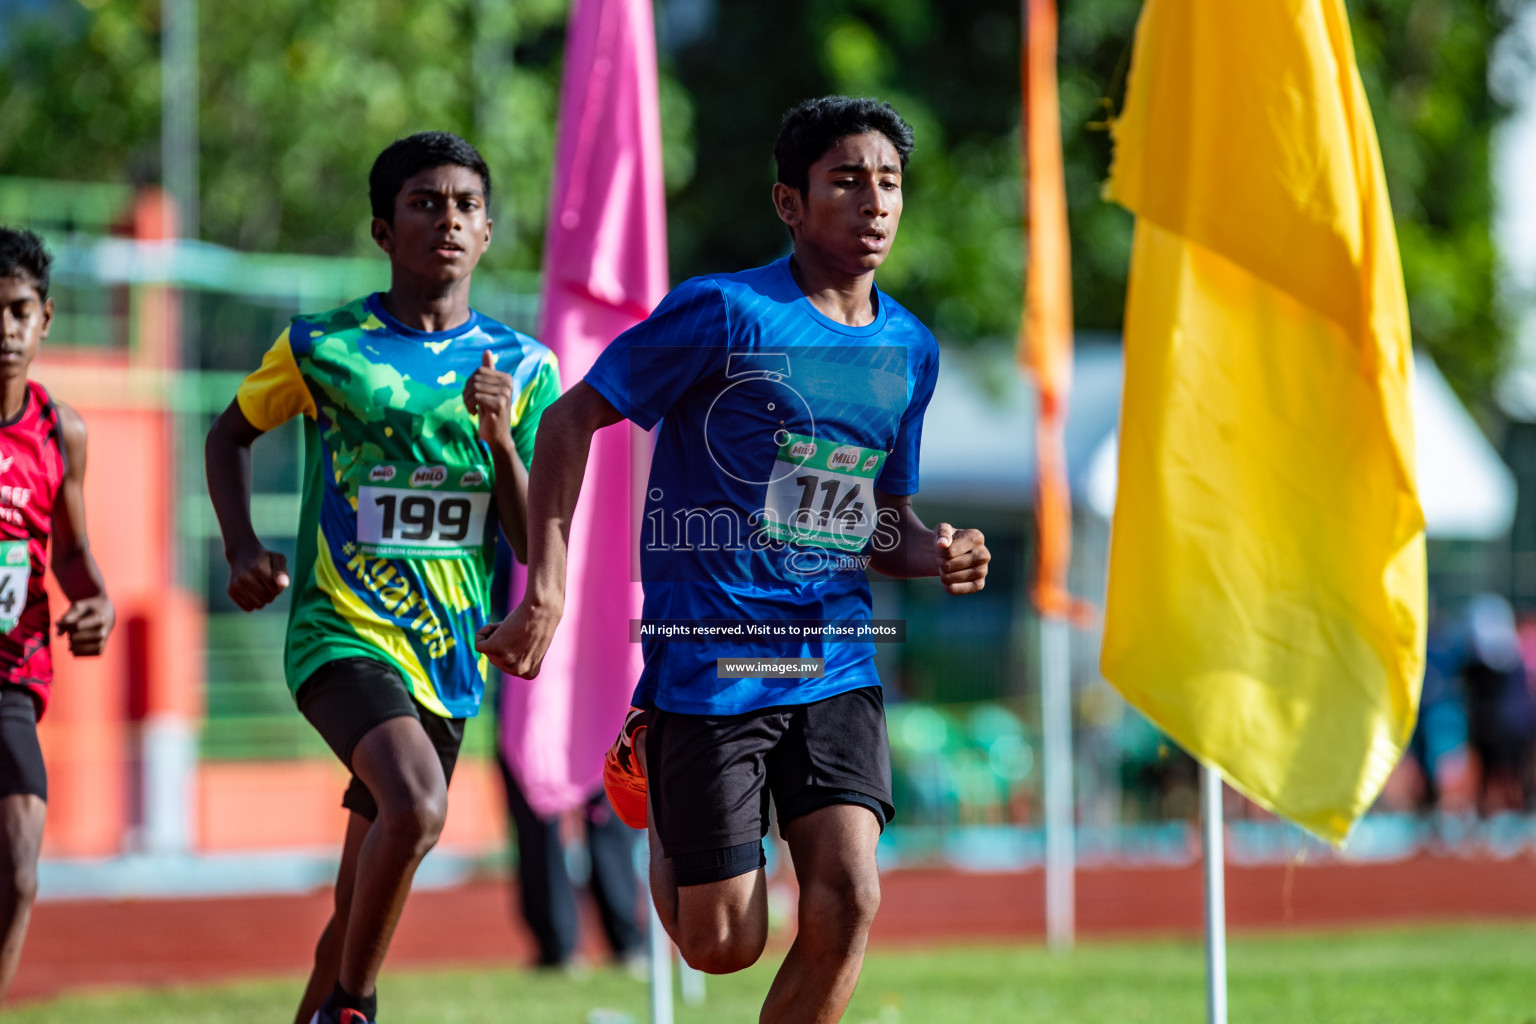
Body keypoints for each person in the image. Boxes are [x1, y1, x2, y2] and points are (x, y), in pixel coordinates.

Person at [477, 96, 990, 1023]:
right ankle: (657, 744)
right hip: (711, 664)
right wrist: (546, 588)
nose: (874, 202)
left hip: (834, 656)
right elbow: (567, 418)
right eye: (846, 181)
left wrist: (941, 552)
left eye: (889, 184)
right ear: (790, 204)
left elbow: (878, 525)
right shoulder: (725, 312)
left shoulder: (909, 349)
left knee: (850, 900)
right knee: (723, 945)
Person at [205, 132, 559, 1024]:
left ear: (488, 233)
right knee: (417, 802)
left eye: (466, 206)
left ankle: (328, 1000)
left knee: (357, 896)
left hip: (448, 651)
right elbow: (229, 434)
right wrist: (242, 546)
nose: (447, 219)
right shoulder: (325, 346)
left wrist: (502, 437)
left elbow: (526, 536)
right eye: (424, 202)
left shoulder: (525, 369)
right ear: (381, 227)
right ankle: (357, 1009)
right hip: (341, 631)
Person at [0, 228, 114, 1005]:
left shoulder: (58, 431)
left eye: (18, 311)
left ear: (46, 319)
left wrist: (95, 599)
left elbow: (70, 550)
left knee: (17, 867)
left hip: (11, 677)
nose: (3, 332)